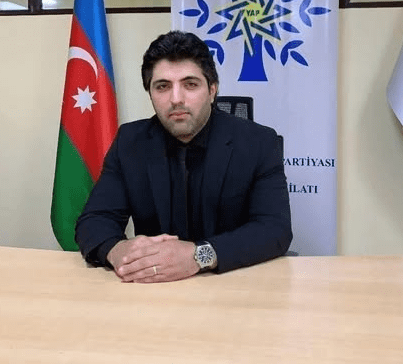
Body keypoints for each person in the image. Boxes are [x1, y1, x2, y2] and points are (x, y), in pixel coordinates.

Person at [75, 30, 292, 283]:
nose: (176, 99)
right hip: (154, 286)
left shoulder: (258, 143)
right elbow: (94, 219)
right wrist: (117, 250)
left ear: (212, 90)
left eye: (190, 85)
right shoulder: (130, 142)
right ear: (150, 93)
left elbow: (274, 229)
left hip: (233, 284)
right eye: (163, 86)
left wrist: (199, 256)